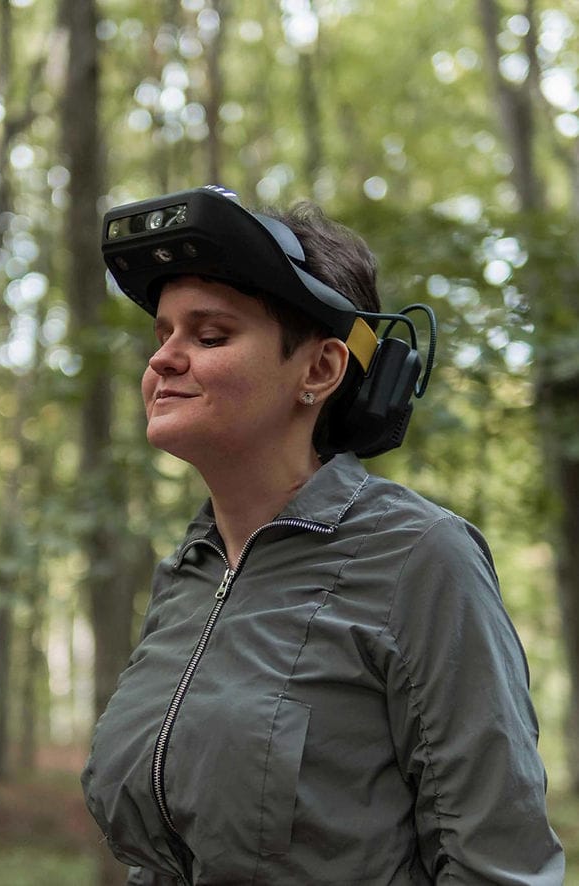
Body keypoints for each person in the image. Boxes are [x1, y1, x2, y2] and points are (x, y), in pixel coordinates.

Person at [81, 185, 564, 884]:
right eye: (164, 334)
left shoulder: (419, 559)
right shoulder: (187, 572)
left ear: (319, 369)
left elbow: (500, 866)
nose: (164, 359)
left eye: (210, 335)